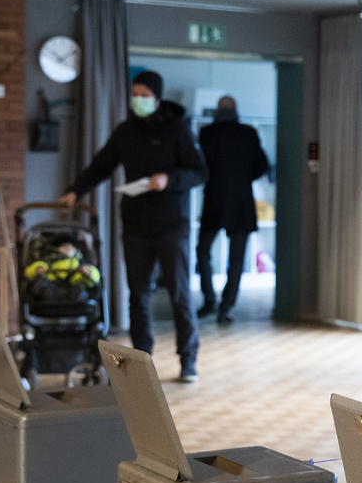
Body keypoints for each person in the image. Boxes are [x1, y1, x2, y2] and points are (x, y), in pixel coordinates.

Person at [60, 70, 208, 382]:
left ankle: (188, 360)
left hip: (172, 224)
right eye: (135, 94)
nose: (138, 100)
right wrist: (76, 190)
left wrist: (170, 180)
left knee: (180, 294)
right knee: (138, 295)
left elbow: (199, 172)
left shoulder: (177, 128)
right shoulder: (126, 131)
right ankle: (142, 362)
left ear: (157, 97)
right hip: (135, 224)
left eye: (144, 95)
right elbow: (101, 165)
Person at [195, 95, 269, 324]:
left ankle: (209, 299)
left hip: (214, 200)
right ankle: (226, 306)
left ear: (218, 110)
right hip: (241, 202)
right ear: (236, 109)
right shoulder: (248, 133)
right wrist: (243, 180)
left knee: (203, 251)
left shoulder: (207, 133)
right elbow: (262, 165)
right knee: (236, 259)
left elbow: (199, 167)